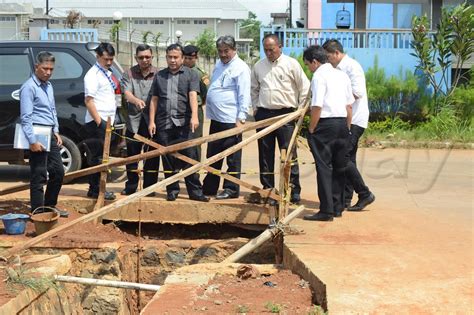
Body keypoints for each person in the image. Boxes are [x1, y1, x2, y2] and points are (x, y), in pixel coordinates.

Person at [251, 33, 310, 204]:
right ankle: (268, 189)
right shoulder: (258, 66)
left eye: (272, 49)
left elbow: (304, 88)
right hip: (264, 115)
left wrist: (299, 111)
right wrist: (255, 108)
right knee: (265, 153)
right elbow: (254, 89)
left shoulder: (291, 64)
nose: (269, 53)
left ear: (280, 47)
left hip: (286, 114)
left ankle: (293, 189)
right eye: (266, 50)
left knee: (289, 152)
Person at [148, 43, 209, 202]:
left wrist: (195, 116)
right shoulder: (160, 76)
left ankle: (195, 192)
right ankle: (172, 191)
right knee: (168, 160)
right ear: (166, 58)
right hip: (164, 124)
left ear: (182, 58)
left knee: (190, 158)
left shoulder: (191, 74)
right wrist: (152, 121)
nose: (173, 60)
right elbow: (154, 99)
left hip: (185, 124)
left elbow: (193, 96)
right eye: (170, 57)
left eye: (176, 57)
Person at [302, 45, 354, 221]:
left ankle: (326, 210)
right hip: (342, 124)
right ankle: (337, 207)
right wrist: (347, 127)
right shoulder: (341, 74)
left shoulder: (319, 76)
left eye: (308, 64)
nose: (309, 68)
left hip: (325, 125)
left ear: (315, 62)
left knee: (324, 167)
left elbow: (317, 106)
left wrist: (311, 128)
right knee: (339, 167)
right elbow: (349, 106)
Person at [323, 39, 375, 211]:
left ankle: (364, 193)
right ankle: (346, 199)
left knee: (343, 159)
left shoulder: (352, 67)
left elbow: (358, 93)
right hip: (346, 120)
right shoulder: (336, 68)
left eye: (329, 57)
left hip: (355, 120)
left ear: (337, 53)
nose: (328, 60)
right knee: (348, 159)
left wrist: (334, 96)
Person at [19, 51, 68, 217]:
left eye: (51, 69)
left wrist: (56, 131)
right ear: (36, 67)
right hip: (36, 132)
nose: (48, 72)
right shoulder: (29, 87)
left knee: (58, 172)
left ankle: (49, 206)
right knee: (39, 174)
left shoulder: (49, 85)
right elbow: (26, 117)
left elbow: (52, 110)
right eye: (45, 68)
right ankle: (38, 211)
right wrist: (32, 141)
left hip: (49, 132)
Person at [202, 35, 251, 200]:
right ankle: (210, 187)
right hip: (216, 119)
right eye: (220, 51)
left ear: (234, 49)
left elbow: (244, 94)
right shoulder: (219, 65)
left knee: (232, 157)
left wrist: (241, 118)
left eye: (226, 51)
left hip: (231, 120)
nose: (223, 54)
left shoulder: (241, 68)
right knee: (213, 155)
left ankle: (231, 189)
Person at [121, 44, 159, 195]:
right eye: (141, 57)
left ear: (152, 57)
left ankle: (150, 188)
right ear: (136, 58)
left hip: (152, 121)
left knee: (152, 157)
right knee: (132, 156)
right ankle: (131, 186)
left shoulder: (159, 74)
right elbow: (127, 93)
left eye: (147, 57)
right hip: (133, 121)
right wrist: (136, 100)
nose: (144, 60)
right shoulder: (128, 73)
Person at [83, 42, 118, 201]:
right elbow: (89, 101)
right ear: (98, 57)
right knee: (98, 158)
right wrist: (100, 122)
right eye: (106, 59)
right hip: (97, 122)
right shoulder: (93, 75)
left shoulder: (107, 72)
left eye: (111, 59)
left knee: (102, 156)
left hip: (108, 120)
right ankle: (98, 190)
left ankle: (93, 189)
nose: (109, 62)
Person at [183, 45, 210, 161]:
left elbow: (206, 92)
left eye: (191, 58)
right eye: (187, 58)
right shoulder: (178, 71)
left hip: (196, 110)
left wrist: (198, 103)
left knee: (195, 141)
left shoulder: (200, 74)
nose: (189, 61)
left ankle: (194, 171)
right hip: (180, 110)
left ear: (196, 58)